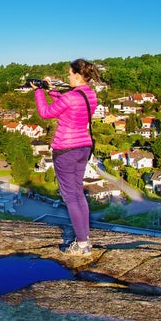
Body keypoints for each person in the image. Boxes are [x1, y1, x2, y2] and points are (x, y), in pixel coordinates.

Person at [33, 58, 100, 255]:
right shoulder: (90, 95)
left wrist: (38, 91)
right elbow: (66, 107)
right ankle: (85, 237)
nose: (68, 77)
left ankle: (81, 244)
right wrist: (51, 90)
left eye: (70, 74)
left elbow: (45, 113)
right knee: (79, 194)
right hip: (83, 147)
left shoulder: (71, 97)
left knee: (70, 197)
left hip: (66, 149)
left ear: (78, 76)